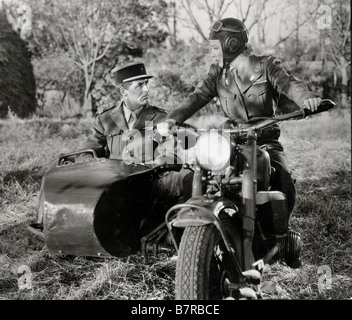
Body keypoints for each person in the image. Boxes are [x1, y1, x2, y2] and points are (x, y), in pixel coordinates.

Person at [157, 18, 322, 268]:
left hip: (264, 139)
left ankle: (279, 238)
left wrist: (307, 98)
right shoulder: (218, 74)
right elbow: (197, 97)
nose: (213, 52)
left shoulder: (266, 65)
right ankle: (195, 238)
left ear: (230, 43)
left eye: (215, 46)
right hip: (230, 139)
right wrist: (171, 120)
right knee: (198, 175)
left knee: (283, 179)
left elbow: (289, 84)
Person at [79, 61, 193, 204]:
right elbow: (85, 154)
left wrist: (153, 165)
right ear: (123, 91)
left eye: (146, 83)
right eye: (139, 85)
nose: (146, 89)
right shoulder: (105, 119)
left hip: (151, 188)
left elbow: (173, 157)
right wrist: (99, 166)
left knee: (189, 178)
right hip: (115, 189)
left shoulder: (162, 118)